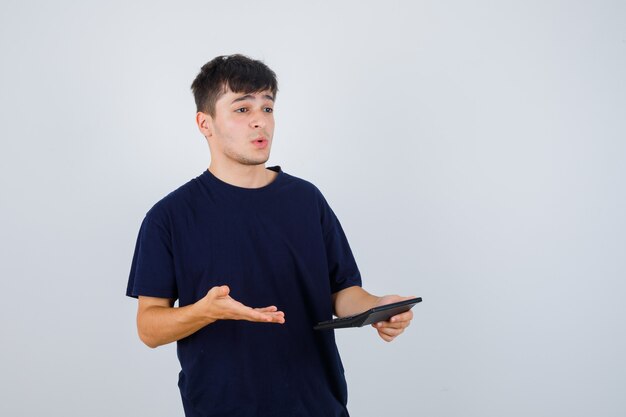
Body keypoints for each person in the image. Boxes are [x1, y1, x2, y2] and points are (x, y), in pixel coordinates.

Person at [126, 54, 414, 417]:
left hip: (318, 406)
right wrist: (204, 311)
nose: (260, 121)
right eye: (242, 109)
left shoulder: (307, 200)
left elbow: (342, 292)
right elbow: (149, 327)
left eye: (268, 107)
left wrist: (375, 307)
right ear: (205, 123)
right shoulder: (169, 217)